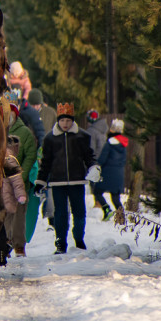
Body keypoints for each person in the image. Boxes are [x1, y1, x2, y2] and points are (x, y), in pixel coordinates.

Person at [35, 103, 100, 254]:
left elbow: (89, 156)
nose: (65, 124)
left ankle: (78, 239)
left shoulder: (82, 136)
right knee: (60, 213)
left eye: (68, 121)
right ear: (58, 120)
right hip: (58, 182)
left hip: (77, 180)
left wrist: (93, 167)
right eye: (62, 120)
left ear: (73, 121)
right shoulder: (50, 138)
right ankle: (60, 243)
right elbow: (46, 162)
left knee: (79, 212)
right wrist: (41, 181)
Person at [5, 101, 37, 256]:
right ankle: (4, 243)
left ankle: (19, 245)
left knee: (19, 216)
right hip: (3, 182)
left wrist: (20, 175)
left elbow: (31, 155)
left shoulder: (24, 132)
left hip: (20, 182)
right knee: (4, 214)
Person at [96, 119, 129, 221]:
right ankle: (122, 217)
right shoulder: (123, 145)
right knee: (115, 197)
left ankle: (107, 210)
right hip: (119, 173)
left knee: (97, 191)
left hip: (108, 172)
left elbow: (102, 159)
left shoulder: (109, 143)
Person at [84, 109, 110, 208]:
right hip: (103, 159)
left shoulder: (91, 131)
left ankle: (99, 204)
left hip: (94, 160)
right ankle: (99, 203)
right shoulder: (103, 130)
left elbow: (90, 148)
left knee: (93, 182)